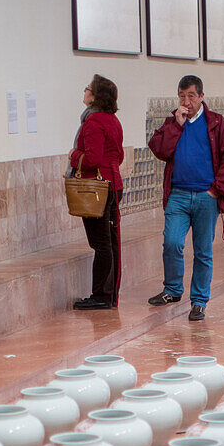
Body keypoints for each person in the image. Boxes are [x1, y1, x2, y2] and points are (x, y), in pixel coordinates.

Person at [147, 75, 224, 321]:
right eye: (181, 96)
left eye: (190, 95)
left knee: (202, 251)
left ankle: (199, 301)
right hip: (178, 194)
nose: (186, 101)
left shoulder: (217, 124)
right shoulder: (173, 122)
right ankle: (173, 290)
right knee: (172, 242)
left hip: (205, 197)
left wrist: (216, 190)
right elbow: (159, 149)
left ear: (201, 96)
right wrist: (176, 125)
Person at [70, 74, 124, 310]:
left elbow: (92, 158)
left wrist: (73, 156)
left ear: (95, 96)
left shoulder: (93, 122)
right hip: (113, 185)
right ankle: (110, 294)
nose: (84, 91)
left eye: (87, 88)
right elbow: (118, 156)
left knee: (100, 244)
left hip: (97, 189)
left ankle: (101, 295)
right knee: (110, 242)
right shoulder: (113, 120)